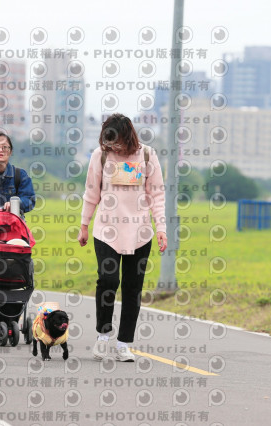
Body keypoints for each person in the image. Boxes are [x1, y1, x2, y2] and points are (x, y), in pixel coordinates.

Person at [77, 113, 167, 362]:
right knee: (108, 280)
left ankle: (123, 343)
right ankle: (103, 335)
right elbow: (91, 192)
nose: (114, 148)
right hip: (106, 230)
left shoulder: (147, 155)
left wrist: (161, 228)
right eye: (109, 143)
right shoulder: (100, 155)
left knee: (132, 287)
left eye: (117, 143)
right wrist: (84, 225)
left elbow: (157, 195)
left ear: (128, 137)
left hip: (140, 232)